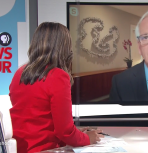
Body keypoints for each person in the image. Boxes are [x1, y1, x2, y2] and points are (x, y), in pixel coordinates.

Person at [9, 22, 103, 153]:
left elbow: (39, 120)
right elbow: (64, 132)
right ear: (64, 47)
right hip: (44, 150)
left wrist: (76, 133)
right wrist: (87, 138)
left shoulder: (19, 73)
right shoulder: (58, 76)